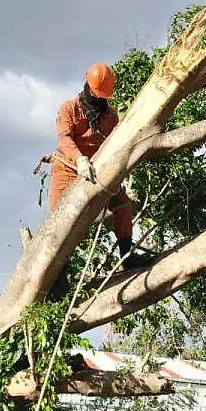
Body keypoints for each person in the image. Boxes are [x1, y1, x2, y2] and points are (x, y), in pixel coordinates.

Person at [50, 62, 157, 272]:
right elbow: (64, 138)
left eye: (102, 96)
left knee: (123, 205)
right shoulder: (68, 109)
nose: (98, 99)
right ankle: (58, 275)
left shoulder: (110, 116)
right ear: (87, 85)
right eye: (96, 94)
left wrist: (120, 171)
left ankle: (127, 254)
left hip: (98, 172)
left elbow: (117, 144)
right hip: (68, 169)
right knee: (58, 222)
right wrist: (79, 159)